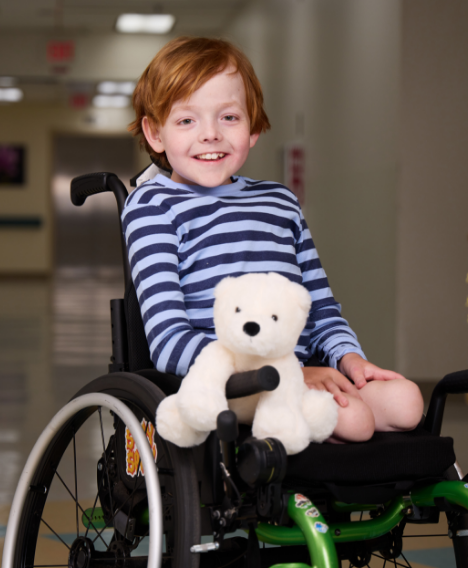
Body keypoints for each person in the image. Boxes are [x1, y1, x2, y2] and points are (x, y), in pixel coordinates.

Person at [122, 37, 423, 443]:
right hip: (226, 383)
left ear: (254, 127)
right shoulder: (153, 206)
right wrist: (286, 376)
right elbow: (168, 339)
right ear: (155, 134)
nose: (210, 134)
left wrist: (349, 358)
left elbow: (318, 305)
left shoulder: (278, 202)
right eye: (187, 120)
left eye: (228, 117)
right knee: (357, 423)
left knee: (408, 402)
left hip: (299, 372)